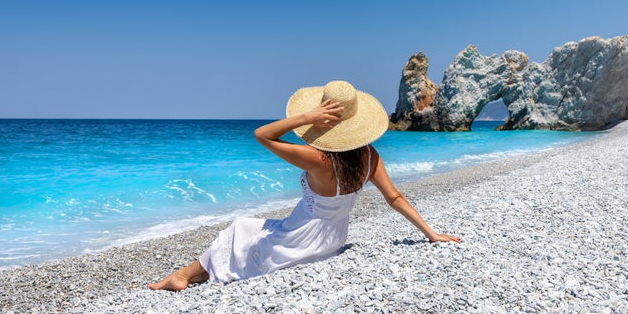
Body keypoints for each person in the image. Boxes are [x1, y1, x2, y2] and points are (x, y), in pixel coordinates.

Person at [148, 81, 460, 291]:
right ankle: (188, 275)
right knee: (249, 235)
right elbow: (394, 197)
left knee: (241, 228)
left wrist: (305, 117)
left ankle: (182, 276)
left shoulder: (318, 159)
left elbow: (262, 135)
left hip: (298, 239)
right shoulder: (369, 156)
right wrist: (431, 234)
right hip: (332, 241)